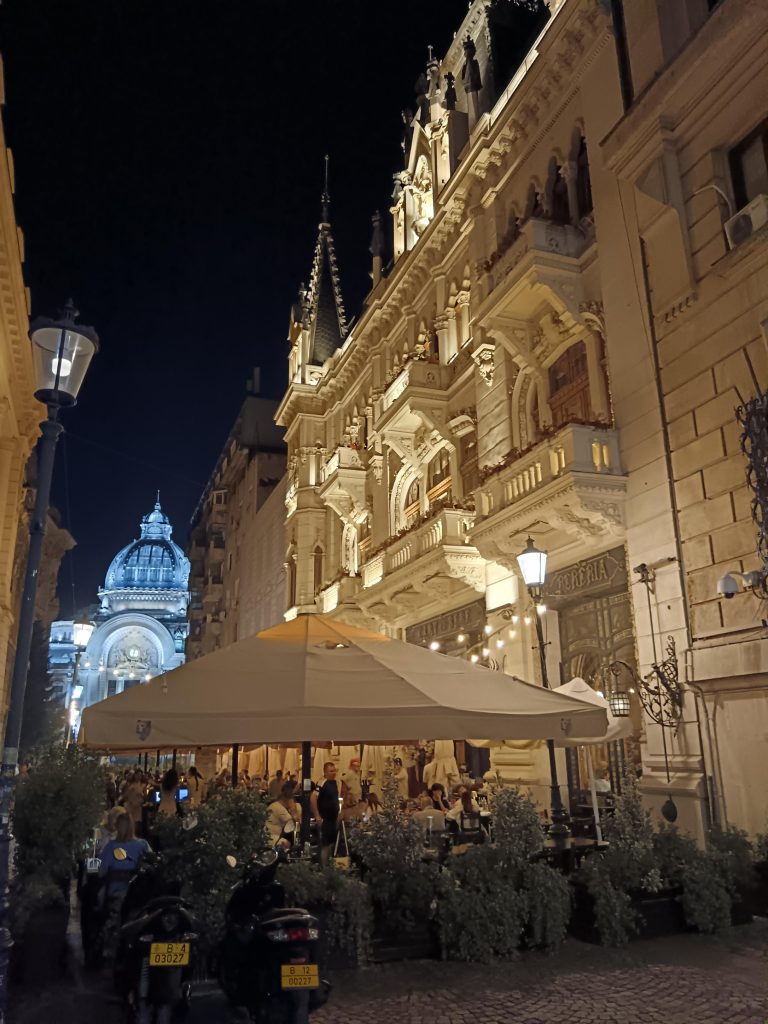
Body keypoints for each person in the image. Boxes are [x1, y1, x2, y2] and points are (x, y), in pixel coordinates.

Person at [99, 813, 151, 892]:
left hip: (114, 892)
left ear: (117, 827)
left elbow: (101, 872)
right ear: (132, 827)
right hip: (139, 892)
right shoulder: (143, 845)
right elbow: (151, 866)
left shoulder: (110, 847)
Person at [310, 762, 340, 867]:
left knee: (331, 843)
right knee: (325, 844)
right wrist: (317, 815)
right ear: (325, 772)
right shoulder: (322, 783)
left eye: (334, 770)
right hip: (325, 818)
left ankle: (328, 866)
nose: (333, 773)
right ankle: (323, 868)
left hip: (333, 819)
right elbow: (313, 798)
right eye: (331, 771)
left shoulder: (334, 783)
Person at [266, 782, 300, 846]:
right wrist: (293, 810)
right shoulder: (278, 808)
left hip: (273, 836)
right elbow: (295, 824)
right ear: (288, 799)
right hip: (270, 837)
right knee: (287, 843)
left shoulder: (276, 804)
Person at [121, 771, 146, 837]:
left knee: (136, 823)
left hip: (138, 806)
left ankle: (134, 836)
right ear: (135, 775)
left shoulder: (142, 785)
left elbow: (144, 796)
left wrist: (142, 797)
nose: (139, 776)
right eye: (137, 775)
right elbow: (125, 795)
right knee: (129, 821)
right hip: (130, 805)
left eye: (140, 775)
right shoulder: (129, 784)